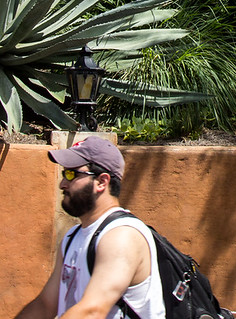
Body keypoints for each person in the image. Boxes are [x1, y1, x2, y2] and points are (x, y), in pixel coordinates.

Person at [14, 136, 165, 319]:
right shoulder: (72, 237)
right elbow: (45, 305)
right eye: (64, 174)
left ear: (101, 182)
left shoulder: (122, 236)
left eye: (72, 174)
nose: (63, 183)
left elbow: (92, 311)